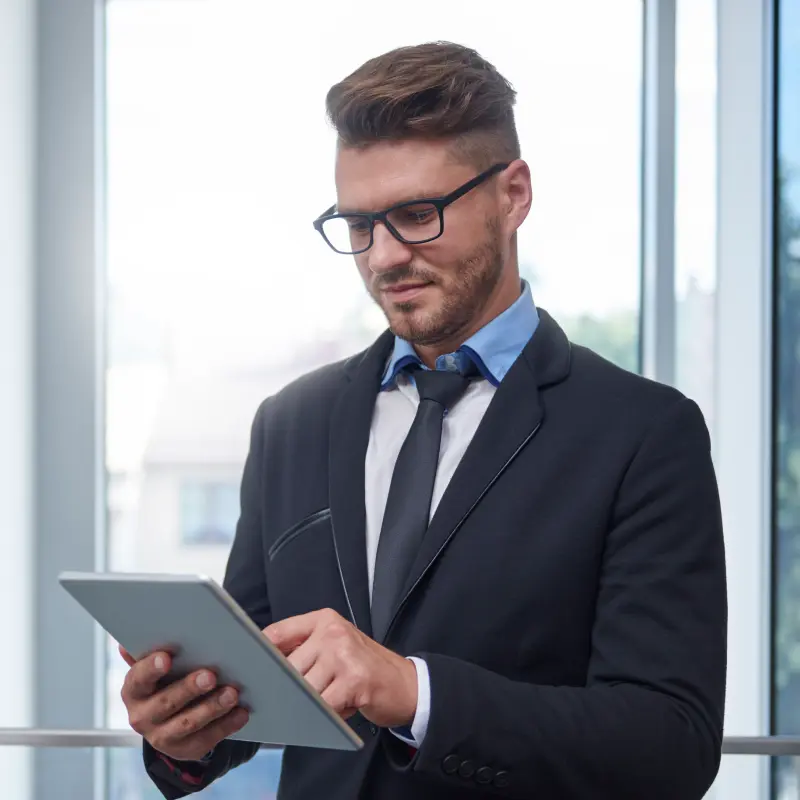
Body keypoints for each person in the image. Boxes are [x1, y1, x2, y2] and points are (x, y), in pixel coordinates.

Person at [120, 41, 727, 800]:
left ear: (513, 195)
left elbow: (670, 745)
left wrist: (414, 693)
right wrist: (185, 732)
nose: (383, 257)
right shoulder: (291, 424)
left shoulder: (643, 433)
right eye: (360, 224)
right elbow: (256, 692)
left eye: (416, 214)